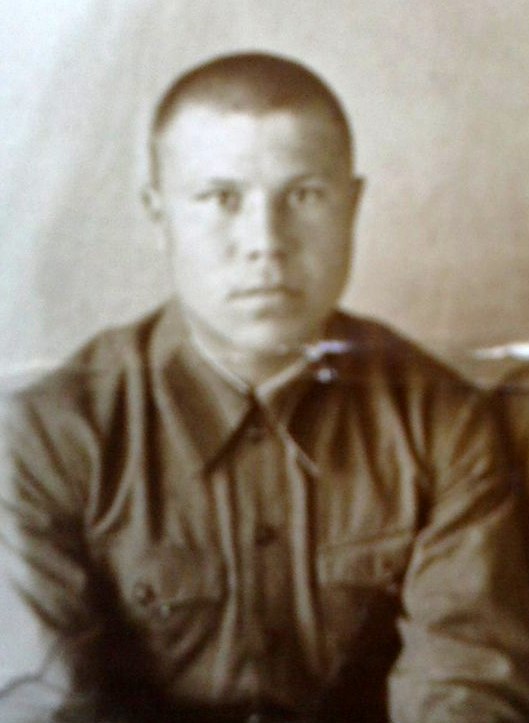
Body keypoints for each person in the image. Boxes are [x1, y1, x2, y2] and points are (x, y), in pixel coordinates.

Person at [5, 51, 529, 723]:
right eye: (221, 199)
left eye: (304, 195)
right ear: (158, 213)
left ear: (352, 206)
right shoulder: (45, 435)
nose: (266, 243)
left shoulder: (444, 422)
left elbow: (466, 689)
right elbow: (39, 706)